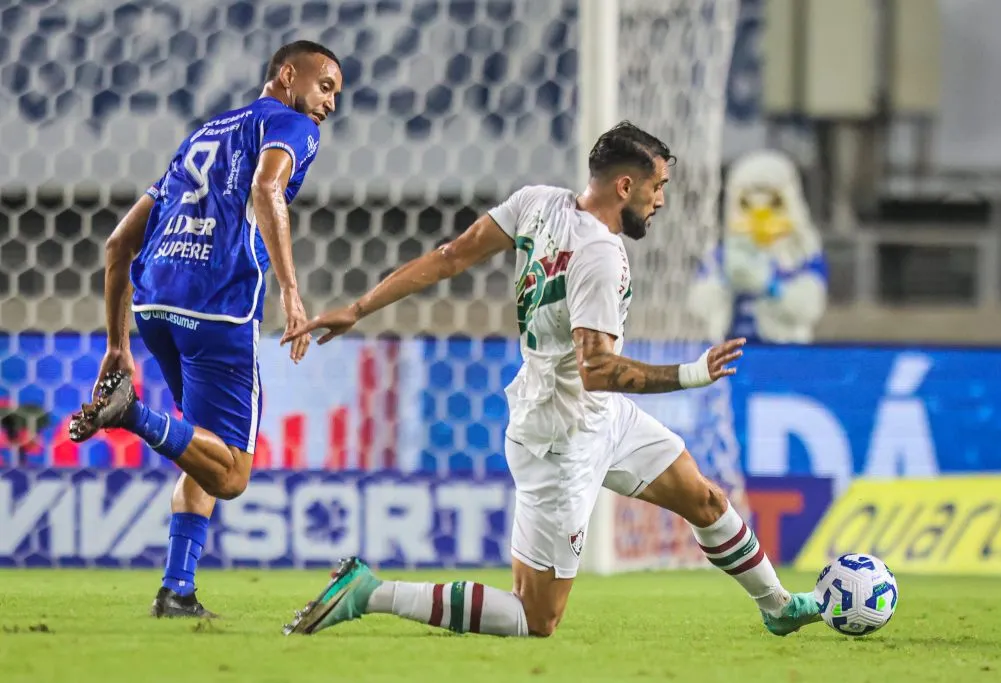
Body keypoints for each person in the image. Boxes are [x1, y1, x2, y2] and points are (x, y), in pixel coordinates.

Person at [279, 122, 821, 638]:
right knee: (536, 617)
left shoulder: (536, 202)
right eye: (656, 186)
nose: (660, 200)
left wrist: (358, 307)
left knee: (704, 499)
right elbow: (597, 369)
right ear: (625, 186)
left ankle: (777, 606)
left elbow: (450, 257)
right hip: (562, 435)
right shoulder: (601, 257)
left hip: (601, 416)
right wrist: (691, 373)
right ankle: (370, 593)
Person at [68, 40, 342, 619]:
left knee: (203, 447)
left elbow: (117, 244)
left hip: (154, 307)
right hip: (219, 308)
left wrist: (117, 343)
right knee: (233, 474)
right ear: (288, 75)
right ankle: (131, 415)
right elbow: (267, 189)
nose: (330, 104)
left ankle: (177, 590)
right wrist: (292, 291)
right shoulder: (291, 125)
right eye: (325, 86)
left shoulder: (204, 135)